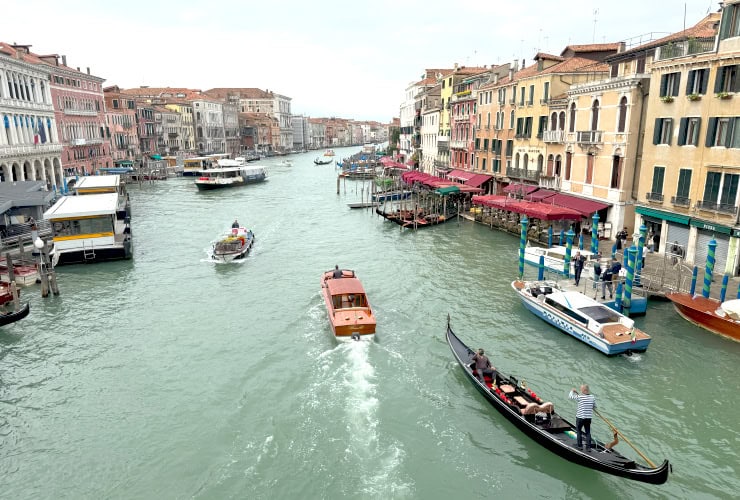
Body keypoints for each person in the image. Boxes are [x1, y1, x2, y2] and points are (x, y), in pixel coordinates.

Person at [569, 385, 597, 450]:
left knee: (579, 431)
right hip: (588, 418)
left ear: (585, 390)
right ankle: (588, 447)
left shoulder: (580, 397)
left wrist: (572, 391)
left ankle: (580, 446)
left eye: (581, 390)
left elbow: (570, 397)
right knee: (588, 432)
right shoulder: (592, 397)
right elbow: (594, 406)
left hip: (580, 418)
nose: (580, 391)